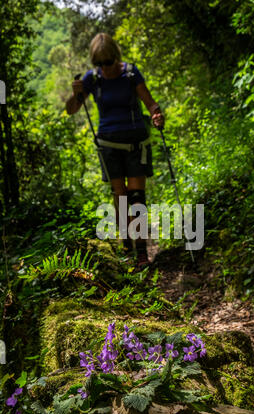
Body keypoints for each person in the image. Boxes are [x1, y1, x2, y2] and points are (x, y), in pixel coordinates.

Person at [66, 32, 164, 269]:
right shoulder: (93, 79)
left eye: (108, 62)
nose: (105, 68)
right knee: (120, 196)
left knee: (137, 197)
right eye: (99, 64)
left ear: (115, 57)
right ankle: (126, 244)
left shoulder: (131, 73)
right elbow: (71, 110)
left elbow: (150, 103)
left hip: (136, 141)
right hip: (108, 144)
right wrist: (76, 93)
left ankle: (142, 251)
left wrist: (157, 115)